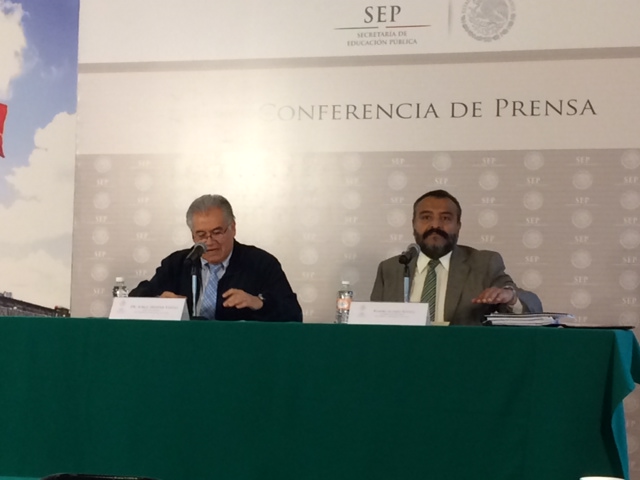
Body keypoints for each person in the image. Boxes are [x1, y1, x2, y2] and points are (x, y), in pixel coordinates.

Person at [370, 189, 543, 325]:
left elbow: (532, 308)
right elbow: (372, 325)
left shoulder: (484, 264)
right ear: (413, 224)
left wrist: (511, 297)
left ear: (458, 225)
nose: (435, 225)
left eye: (446, 218)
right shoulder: (391, 268)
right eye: (426, 217)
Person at [130, 194, 303, 322]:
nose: (209, 242)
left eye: (217, 232)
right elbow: (135, 300)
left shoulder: (261, 263)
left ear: (233, 228)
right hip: (184, 349)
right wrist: (158, 302)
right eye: (201, 235)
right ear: (192, 236)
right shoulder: (178, 263)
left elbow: (293, 314)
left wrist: (258, 303)